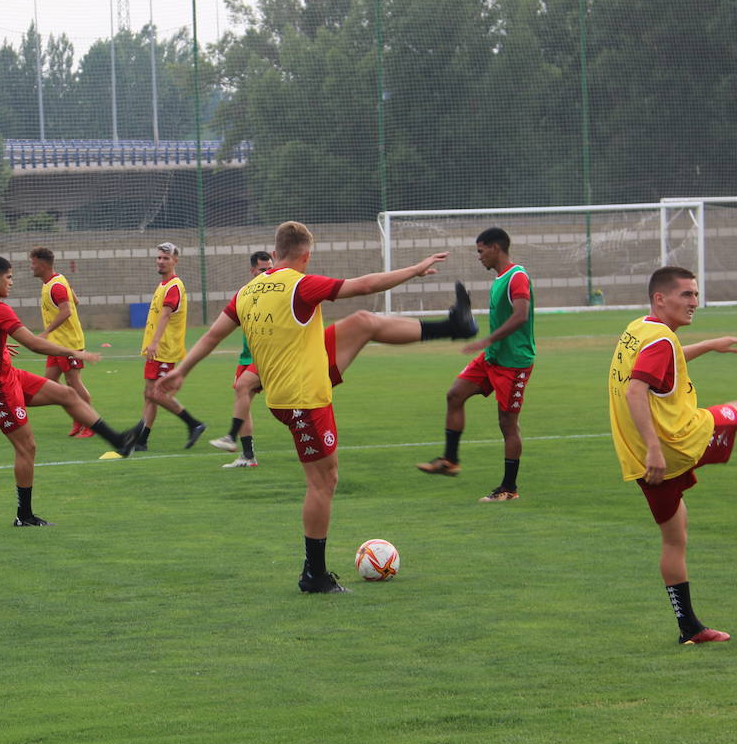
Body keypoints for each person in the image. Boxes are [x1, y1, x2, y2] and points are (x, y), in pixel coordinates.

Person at [155, 221, 478, 593]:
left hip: (296, 376)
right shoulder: (301, 284)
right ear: (306, 255)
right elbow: (366, 285)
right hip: (301, 399)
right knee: (323, 482)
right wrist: (415, 269)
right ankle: (315, 575)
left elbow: (213, 335)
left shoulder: (247, 292)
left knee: (362, 323)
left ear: (274, 254)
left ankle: (456, 325)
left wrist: (181, 371)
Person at [607, 265, 737, 644]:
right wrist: (656, 447)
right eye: (686, 294)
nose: (695, 302)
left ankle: (689, 627)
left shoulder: (640, 329)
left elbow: (659, 362)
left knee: (675, 534)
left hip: (639, 459)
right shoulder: (659, 342)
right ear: (660, 298)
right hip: (675, 443)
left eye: (696, 294)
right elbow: (637, 389)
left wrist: (709, 344)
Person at [0, 255, 140, 527]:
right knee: (27, 447)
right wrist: (73, 352)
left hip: (9, 376)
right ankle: (23, 516)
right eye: (9, 277)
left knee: (67, 395)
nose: (11, 282)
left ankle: (118, 440)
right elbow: (35, 345)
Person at [417, 227, 536, 502]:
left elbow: (521, 316)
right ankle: (450, 460)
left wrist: (487, 340)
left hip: (513, 362)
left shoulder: (517, 276)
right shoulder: (499, 279)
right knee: (454, 394)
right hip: (493, 357)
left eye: (481, 251)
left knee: (507, 424)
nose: (478, 257)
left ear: (495, 248)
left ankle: (508, 489)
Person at [137, 242, 207, 451]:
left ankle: (194, 423)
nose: (160, 261)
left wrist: (155, 343)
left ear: (175, 261)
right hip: (158, 350)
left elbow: (166, 315)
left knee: (155, 394)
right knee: (149, 393)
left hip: (164, 350)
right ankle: (141, 440)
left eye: (165, 258)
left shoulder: (174, 286)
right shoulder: (163, 284)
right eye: (159, 257)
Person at [209, 250, 273, 467]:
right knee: (242, 401)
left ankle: (230, 436)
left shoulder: (274, 293)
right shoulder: (245, 294)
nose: (268, 273)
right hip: (247, 357)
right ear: (252, 270)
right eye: (263, 270)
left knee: (242, 389)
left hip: (267, 356)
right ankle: (247, 456)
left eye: (270, 269)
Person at [29, 246, 96, 438]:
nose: (31, 267)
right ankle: (77, 419)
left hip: (68, 344)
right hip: (56, 344)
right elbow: (75, 301)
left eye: (33, 263)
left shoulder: (56, 285)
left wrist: (46, 331)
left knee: (74, 382)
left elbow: (67, 310)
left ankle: (91, 424)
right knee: (50, 383)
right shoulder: (55, 282)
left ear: (42, 265)